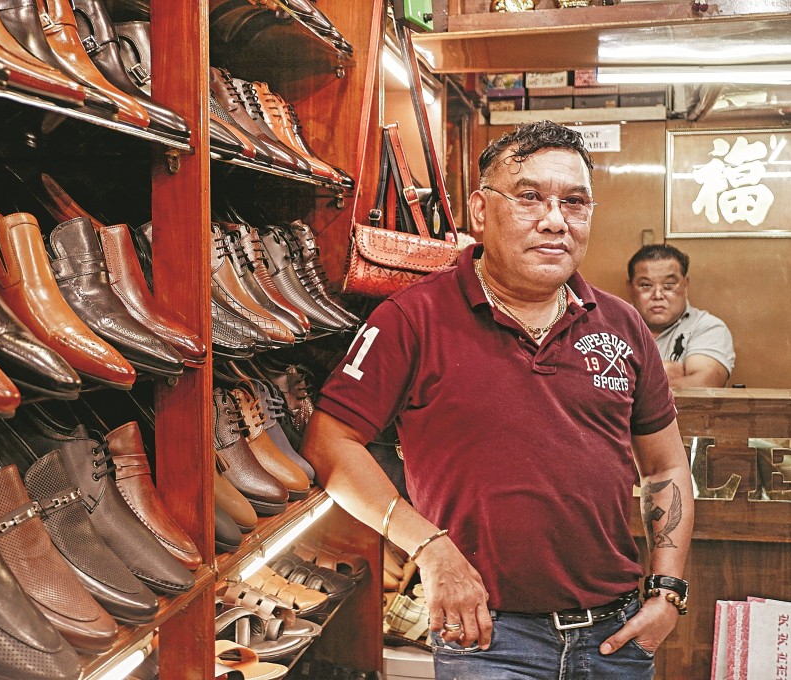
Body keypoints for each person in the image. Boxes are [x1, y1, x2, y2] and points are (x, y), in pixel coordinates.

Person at [302, 121, 694, 679]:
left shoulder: (622, 324)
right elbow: (331, 443)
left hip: (617, 636)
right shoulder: (413, 318)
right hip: (487, 636)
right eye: (530, 197)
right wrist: (431, 550)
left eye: (574, 202)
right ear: (482, 212)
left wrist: (667, 591)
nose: (555, 220)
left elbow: (666, 464)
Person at [627, 243, 735, 388]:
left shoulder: (708, 327)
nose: (658, 295)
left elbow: (704, 385)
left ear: (685, 287)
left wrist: (630, 379)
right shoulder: (611, 326)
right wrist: (662, 372)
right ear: (630, 288)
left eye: (669, 285)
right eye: (646, 285)